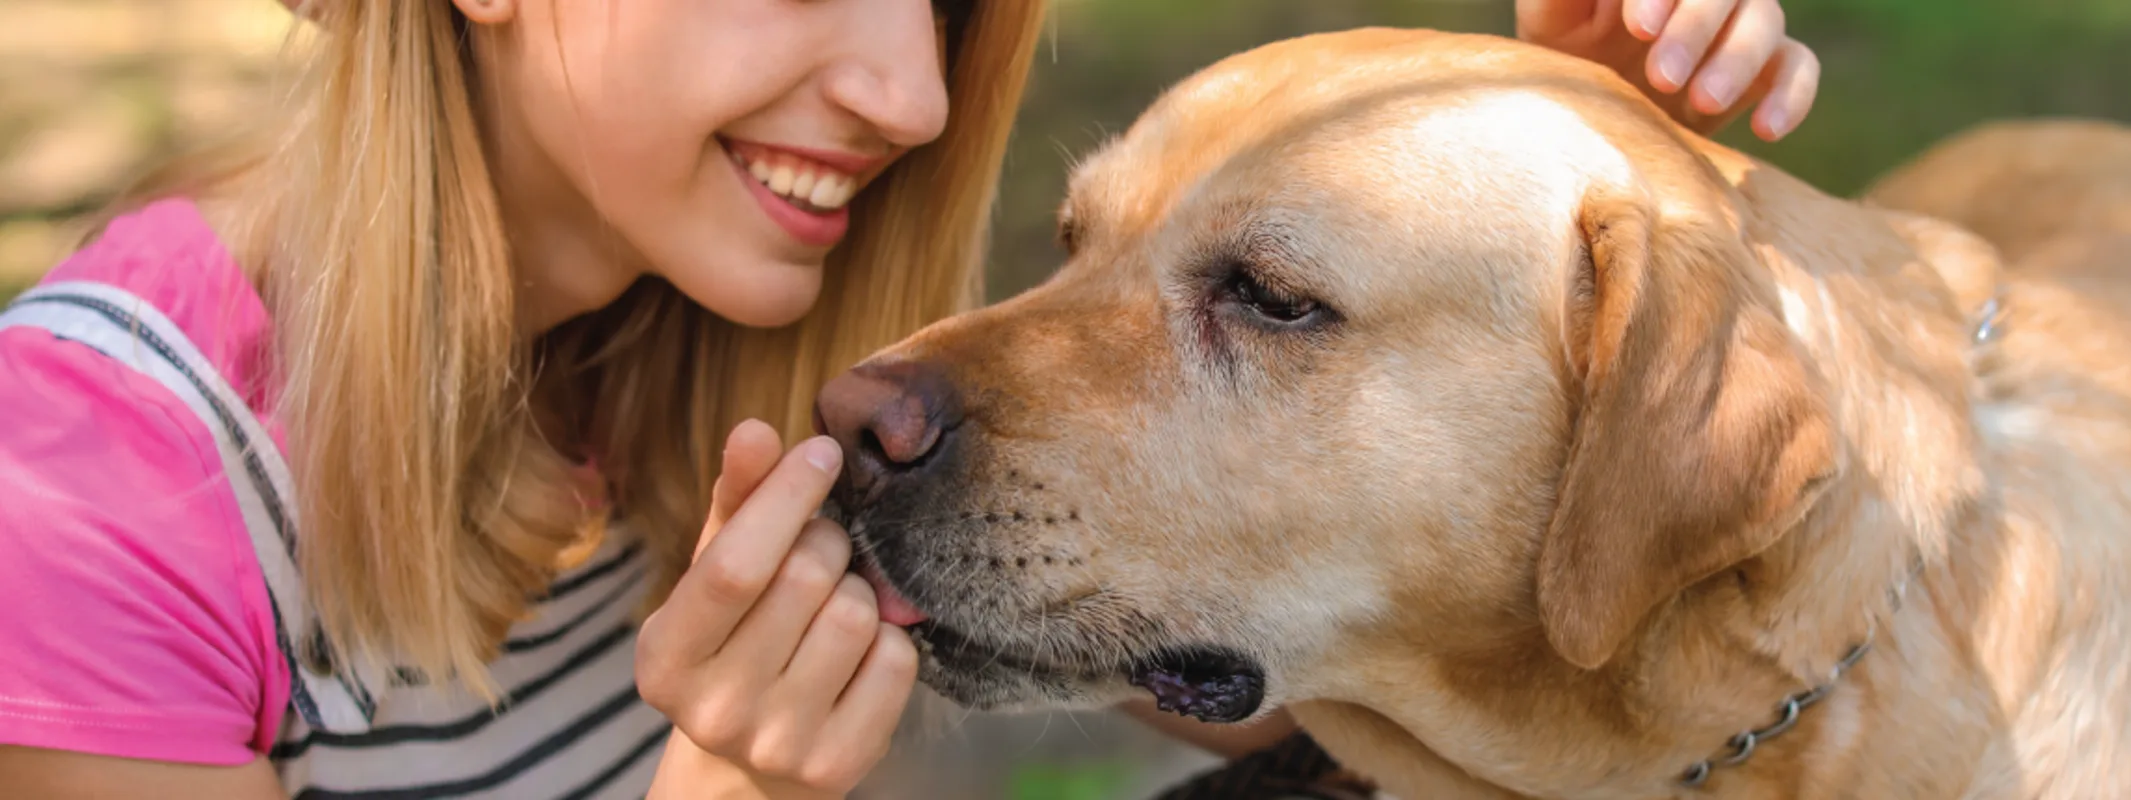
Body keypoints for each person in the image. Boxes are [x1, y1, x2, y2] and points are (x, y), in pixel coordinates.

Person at [0, 1, 1821, 797]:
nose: (908, 93)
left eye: (942, 0)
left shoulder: (709, 317)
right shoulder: (71, 502)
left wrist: (1539, 211)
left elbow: (1263, 694)